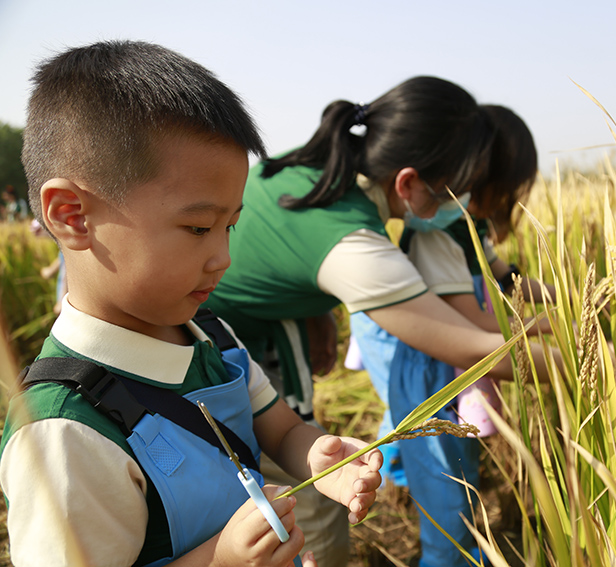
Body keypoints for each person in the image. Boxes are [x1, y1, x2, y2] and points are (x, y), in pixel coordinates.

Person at [0, 40, 382, 567]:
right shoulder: (65, 434)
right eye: (199, 227)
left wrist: (321, 458)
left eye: (230, 226)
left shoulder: (211, 334)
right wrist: (222, 560)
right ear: (71, 215)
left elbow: (281, 429)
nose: (222, 257)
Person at [203, 81, 560, 567]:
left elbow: (282, 251)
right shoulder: (354, 244)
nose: (466, 202)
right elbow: (476, 351)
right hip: (214, 347)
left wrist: (316, 313)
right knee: (303, 515)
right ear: (409, 182)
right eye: (458, 188)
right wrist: (590, 363)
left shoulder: (322, 165)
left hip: (239, 329)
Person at [350, 104, 557, 567]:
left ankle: (399, 473)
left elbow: (505, 277)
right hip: (428, 353)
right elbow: (472, 325)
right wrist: (546, 331)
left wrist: (566, 292)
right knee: (446, 472)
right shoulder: (441, 231)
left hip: (444, 350)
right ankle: (447, 552)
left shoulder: (467, 225)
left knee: (422, 439)